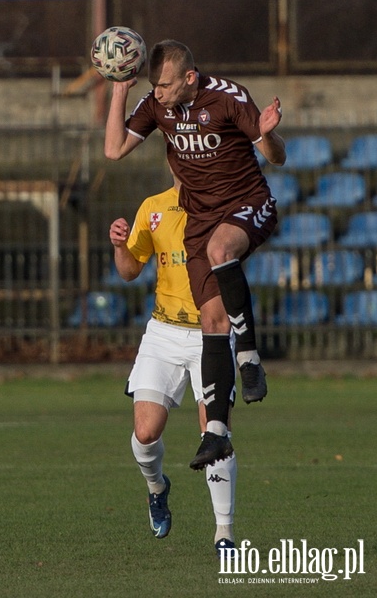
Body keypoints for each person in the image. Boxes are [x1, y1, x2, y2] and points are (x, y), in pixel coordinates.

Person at [105, 39, 286, 470]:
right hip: (200, 223)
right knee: (212, 322)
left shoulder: (228, 98)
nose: (159, 92)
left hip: (247, 203)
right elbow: (113, 150)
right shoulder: (156, 105)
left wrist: (270, 130)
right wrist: (119, 89)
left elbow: (277, 157)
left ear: (189, 77)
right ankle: (217, 434)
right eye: (154, 86)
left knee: (221, 248)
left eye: (165, 84)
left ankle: (248, 353)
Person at [109, 173, 237, 556]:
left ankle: (224, 531)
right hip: (163, 332)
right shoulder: (153, 207)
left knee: (215, 432)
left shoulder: (222, 205)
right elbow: (130, 270)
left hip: (211, 334)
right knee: (145, 433)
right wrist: (119, 245)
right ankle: (157, 487)